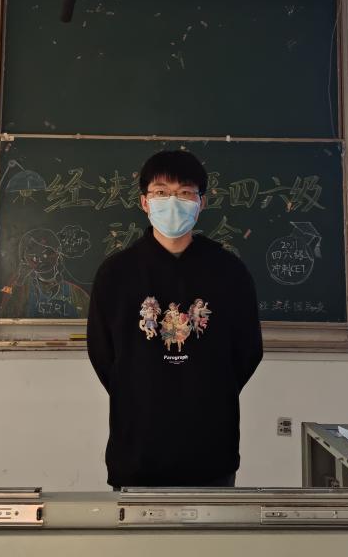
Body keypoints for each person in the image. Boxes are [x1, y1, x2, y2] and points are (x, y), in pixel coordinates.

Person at [86, 150, 263, 488]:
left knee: (213, 522)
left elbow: (247, 352)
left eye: (184, 193)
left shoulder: (228, 271)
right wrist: (142, 387)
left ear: (201, 202)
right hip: (138, 447)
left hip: (210, 447)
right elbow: (103, 355)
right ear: (144, 202)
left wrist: (206, 388)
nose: (172, 202)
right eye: (161, 192)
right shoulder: (117, 273)